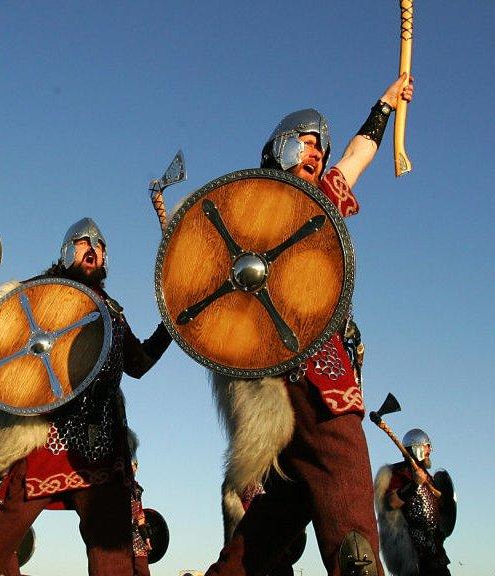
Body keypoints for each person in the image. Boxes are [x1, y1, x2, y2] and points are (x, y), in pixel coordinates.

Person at [204, 74, 415, 576]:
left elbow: (358, 159)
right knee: (347, 496)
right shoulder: (251, 206)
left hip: (297, 389)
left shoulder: (320, 199)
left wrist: (383, 106)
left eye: (323, 147)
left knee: (264, 533)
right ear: (281, 145)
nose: (319, 152)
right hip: (309, 369)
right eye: (308, 143)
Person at [0, 218, 172, 576]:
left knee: (113, 550)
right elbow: (8, 342)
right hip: (49, 434)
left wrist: (170, 325)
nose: (92, 248)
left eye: (100, 245)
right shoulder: (40, 293)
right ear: (66, 251)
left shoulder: (112, 312)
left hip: (104, 440)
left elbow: (137, 364)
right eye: (82, 242)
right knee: (3, 531)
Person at [375, 429, 453, 576]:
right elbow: (390, 504)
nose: (430, 449)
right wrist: (415, 484)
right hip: (413, 555)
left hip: (436, 553)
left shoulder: (428, 477)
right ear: (416, 448)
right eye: (426, 445)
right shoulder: (397, 473)